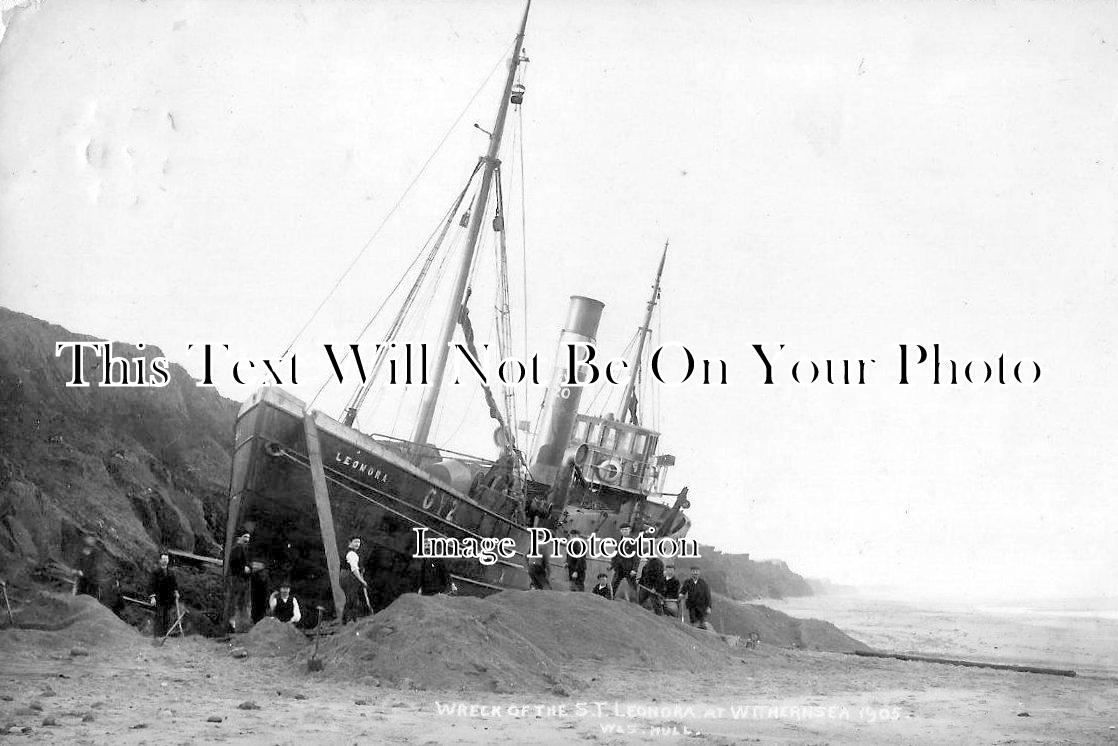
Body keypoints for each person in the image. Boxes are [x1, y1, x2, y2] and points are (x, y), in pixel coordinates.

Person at [226, 530, 253, 632]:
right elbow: (234, 564)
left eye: (248, 538)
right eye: (245, 537)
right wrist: (243, 569)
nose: (247, 539)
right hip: (238, 579)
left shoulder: (244, 549)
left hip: (243, 580)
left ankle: (240, 625)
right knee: (236, 601)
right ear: (239, 538)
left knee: (243, 602)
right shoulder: (237, 548)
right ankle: (232, 623)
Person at [148, 552, 179, 639]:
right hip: (159, 598)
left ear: (168, 561)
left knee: (167, 617)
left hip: (168, 599)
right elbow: (151, 585)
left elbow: (174, 584)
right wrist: (152, 597)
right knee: (159, 616)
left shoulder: (171, 573)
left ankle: (165, 636)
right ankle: (157, 636)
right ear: (160, 560)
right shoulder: (155, 572)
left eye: (166, 559)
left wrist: (176, 592)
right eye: (163, 559)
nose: (165, 561)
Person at [341, 537, 370, 623]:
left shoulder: (351, 553)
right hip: (349, 577)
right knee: (352, 600)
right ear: (350, 542)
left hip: (347, 576)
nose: (358, 544)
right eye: (355, 542)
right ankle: (350, 621)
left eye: (359, 542)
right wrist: (361, 580)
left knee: (351, 599)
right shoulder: (351, 554)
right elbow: (354, 569)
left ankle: (349, 620)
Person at [610, 525, 639, 602]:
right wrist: (612, 565)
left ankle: (636, 602)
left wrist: (634, 569)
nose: (624, 531)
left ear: (629, 530)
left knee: (632, 586)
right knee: (613, 584)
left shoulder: (633, 542)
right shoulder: (619, 541)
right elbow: (615, 554)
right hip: (619, 568)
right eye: (623, 530)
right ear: (620, 531)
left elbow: (636, 556)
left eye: (626, 530)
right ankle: (610, 599)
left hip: (629, 569)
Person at [75, 535, 102, 601]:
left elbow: (95, 565)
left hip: (91, 576)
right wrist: (78, 570)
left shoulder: (95, 553)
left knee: (91, 590)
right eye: (90, 540)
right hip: (84, 575)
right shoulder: (83, 551)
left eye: (92, 540)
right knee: (81, 588)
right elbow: (79, 562)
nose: (91, 542)